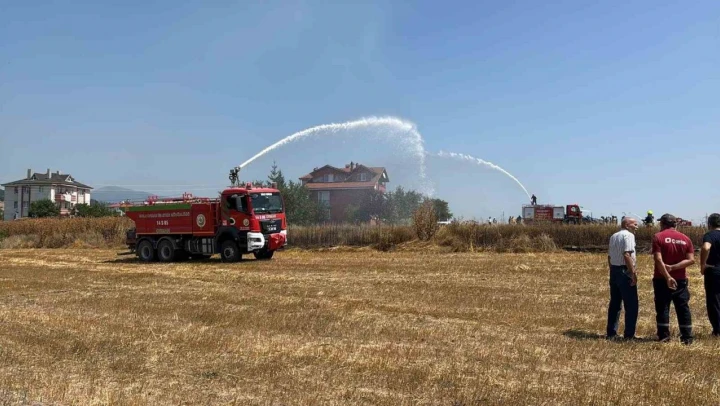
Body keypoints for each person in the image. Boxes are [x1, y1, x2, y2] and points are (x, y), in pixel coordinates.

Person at [651, 214, 695, 344]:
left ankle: (664, 336)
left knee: (662, 307)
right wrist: (674, 267)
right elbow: (691, 260)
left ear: (662, 224)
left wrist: (668, 276)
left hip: (661, 278)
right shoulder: (686, 239)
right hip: (680, 279)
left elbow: (658, 259)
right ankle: (687, 337)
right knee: (683, 307)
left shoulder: (658, 237)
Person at [606, 216, 639, 340]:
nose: (636, 227)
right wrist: (632, 273)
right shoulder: (629, 236)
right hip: (624, 271)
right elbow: (627, 254)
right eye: (634, 224)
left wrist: (612, 270)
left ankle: (611, 332)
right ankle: (629, 335)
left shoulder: (613, 236)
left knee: (615, 303)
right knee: (631, 304)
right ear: (627, 225)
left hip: (614, 270)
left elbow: (609, 256)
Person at [701, 213, 720, 336]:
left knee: (714, 301)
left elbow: (706, 247)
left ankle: (717, 330)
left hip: (714, 271)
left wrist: (703, 264)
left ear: (709, 224)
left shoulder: (710, 235)